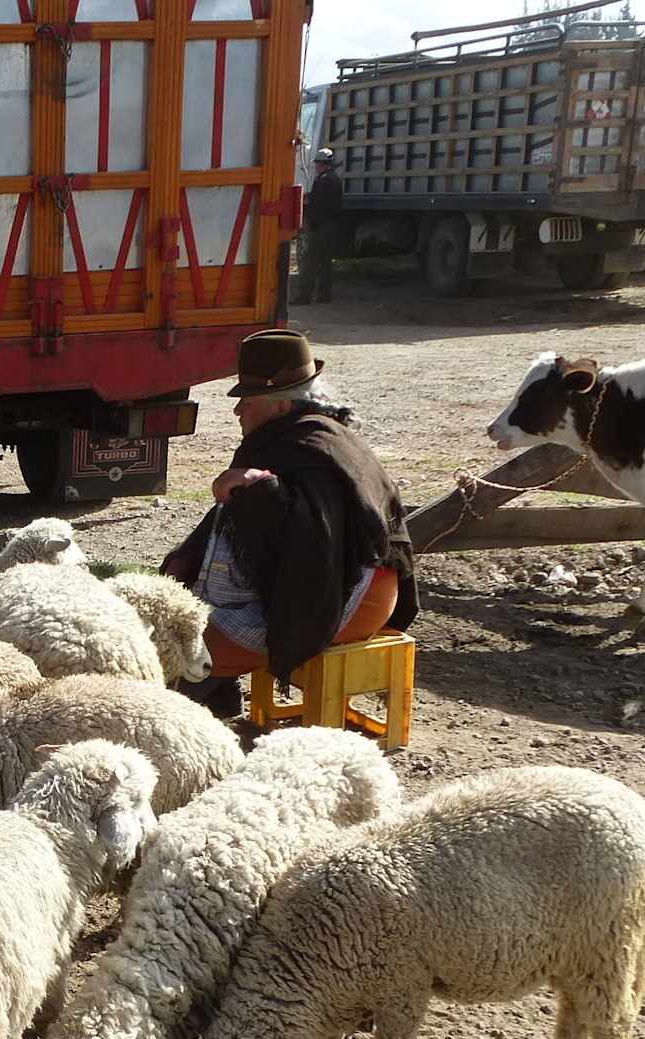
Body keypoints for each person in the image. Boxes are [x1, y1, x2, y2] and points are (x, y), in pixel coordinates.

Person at [160, 330, 416, 716]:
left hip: (351, 594)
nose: (238, 411)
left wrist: (257, 486)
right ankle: (217, 695)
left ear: (278, 404)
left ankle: (180, 711)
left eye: (246, 401)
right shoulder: (299, 438)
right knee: (192, 599)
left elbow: (314, 535)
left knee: (182, 643)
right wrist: (184, 561)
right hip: (336, 581)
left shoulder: (312, 448)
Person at [292, 149, 343, 307]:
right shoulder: (335, 179)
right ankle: (324, 294)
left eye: (317, 164)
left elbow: (317, 205)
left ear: (321, 164)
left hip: (319, 227)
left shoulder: (323, 181)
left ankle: (304, 296)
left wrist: (307, 214)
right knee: (325, 261)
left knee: (309, 262)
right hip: (331, 225)